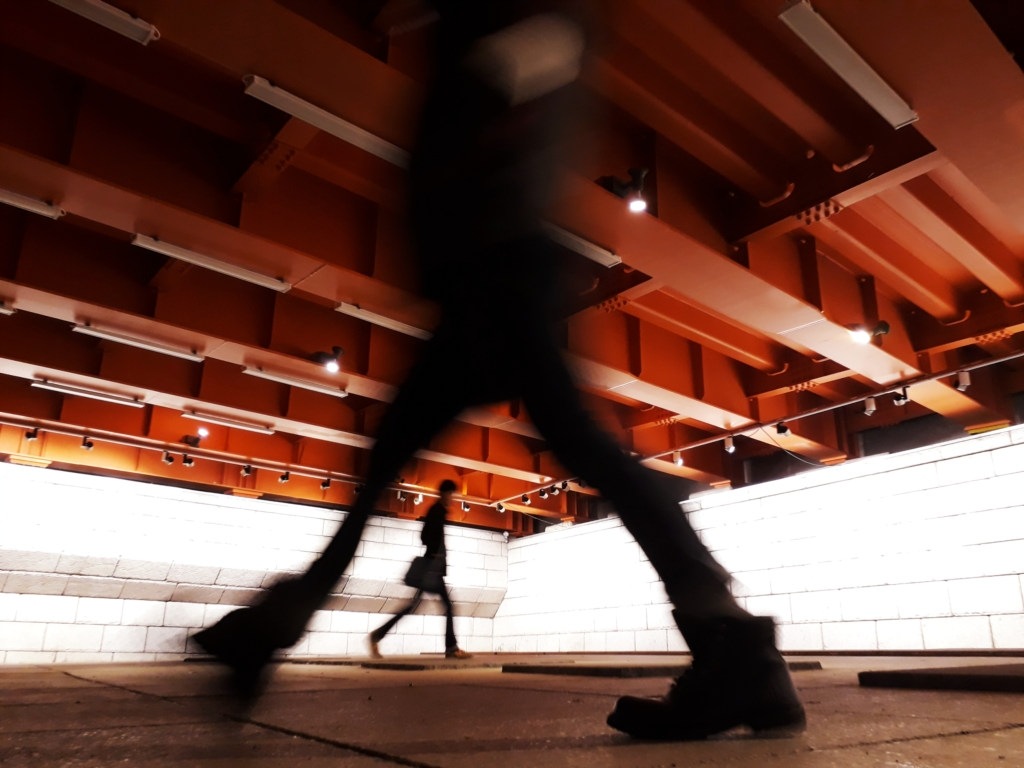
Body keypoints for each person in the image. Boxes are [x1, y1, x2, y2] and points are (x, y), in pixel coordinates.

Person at [194, 0, 806, 740]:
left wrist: (483, 163)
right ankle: (735, 647)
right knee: (535, 452)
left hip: (496, 272)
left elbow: (513, 89)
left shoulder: (530, 14)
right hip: (480, 276)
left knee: (570, 452)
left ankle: (734, 645)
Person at [367, 479, 471, 659]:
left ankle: (377, 636)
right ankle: (451, 648)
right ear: (444, 493)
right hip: (432, 569)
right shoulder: (436, 511)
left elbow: (426, 537)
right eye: (450, 494)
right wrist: (436, 553)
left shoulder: (438, 511)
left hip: (432, 569)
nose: (451, 498)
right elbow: (425, 537)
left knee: (412, 607)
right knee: (448, 607)